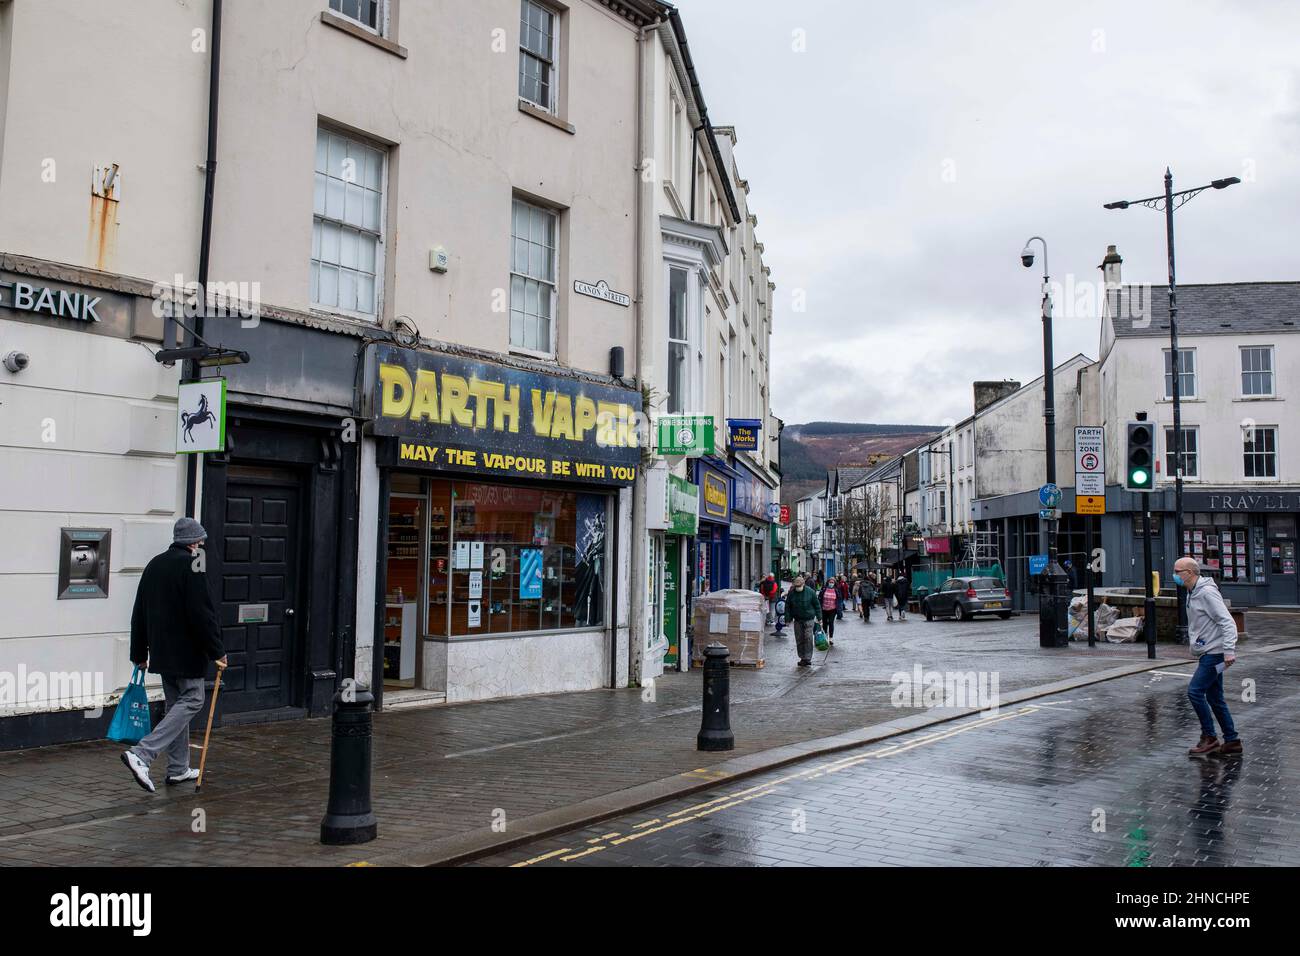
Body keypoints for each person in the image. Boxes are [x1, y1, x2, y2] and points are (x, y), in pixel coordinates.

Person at [122, 517, 228, 793]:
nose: (202, 545)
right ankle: (142, 754)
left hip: (162, 653)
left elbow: (139, 612)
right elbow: (202, 613)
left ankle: (178, 769)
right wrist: (217, 650)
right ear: (193, 542)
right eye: (201, 540)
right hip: (187, 652)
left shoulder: (154, 564)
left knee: (175, 707)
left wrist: (139, 652)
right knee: (193, 699)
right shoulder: (194, 564)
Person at [1175, 557, 1242, 757]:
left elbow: (1227, 622)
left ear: (1190, 572)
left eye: (1178, 571)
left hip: (1216, 654)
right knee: (1215, 697)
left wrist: (1229, 650)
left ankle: (1210, 737)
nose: (1175, 575)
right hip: (1210, 652)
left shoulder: (1206, 593)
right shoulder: (1192, 592)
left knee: (1195, 692)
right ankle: (1232, 741)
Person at [785, 574, 820, 667]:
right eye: (796, 586)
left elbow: (817, 605)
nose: (798, 588)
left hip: (809, 619)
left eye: (799, 586)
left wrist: (819, 618)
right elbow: (787, 606)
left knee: (808, 638)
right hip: (797, 619)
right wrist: (787, 619)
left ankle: (808, 658)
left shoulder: (810, 592)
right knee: (799, 639)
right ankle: (802, 657)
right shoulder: (792, 593)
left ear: (803, 584)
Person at [819, 577, 839, 645]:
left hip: (832, 609)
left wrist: (839, 609)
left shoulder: (836, 590)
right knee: (824, 624)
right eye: (830, 582)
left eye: (832, 582)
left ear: (834, 583)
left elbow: (839, 600)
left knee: (831, 623)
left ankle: (831, 638)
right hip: (824, 609)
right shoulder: (824, 589)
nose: (831, 584)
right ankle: (825, 637)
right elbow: (820, 598)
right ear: (828, 583)